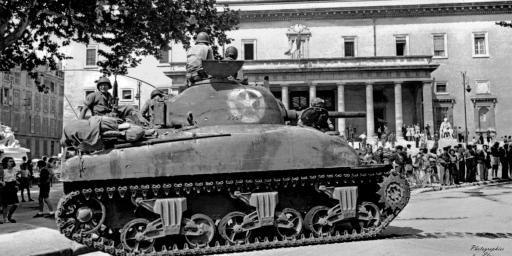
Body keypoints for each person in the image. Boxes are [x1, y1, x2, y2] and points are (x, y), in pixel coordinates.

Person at [79, 77, 150, 126]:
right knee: (121, 121)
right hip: (100, 118)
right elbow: (84, 109)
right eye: (101, 85)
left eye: (105, 85)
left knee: (130, 107)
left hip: (111, 114)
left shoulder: (110, 96)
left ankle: (144, 122)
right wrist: (80, 123)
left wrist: (115, 107)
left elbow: (112, 108)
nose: (103, 87)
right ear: (98, 87)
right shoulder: (92, 95)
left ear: (108, 87)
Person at [1, 157, 19, 223]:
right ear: (6, 162)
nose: (12, 162)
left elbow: (15, 178)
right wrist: (2, 182)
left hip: (13, 187)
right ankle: (5, 219)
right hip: (6, 187)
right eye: (10, 161)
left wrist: (16, 183)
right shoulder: (3, 170)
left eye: (12, 161)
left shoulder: (14, 169)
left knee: (16, 204)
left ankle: (9, 216)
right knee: (6, 204)